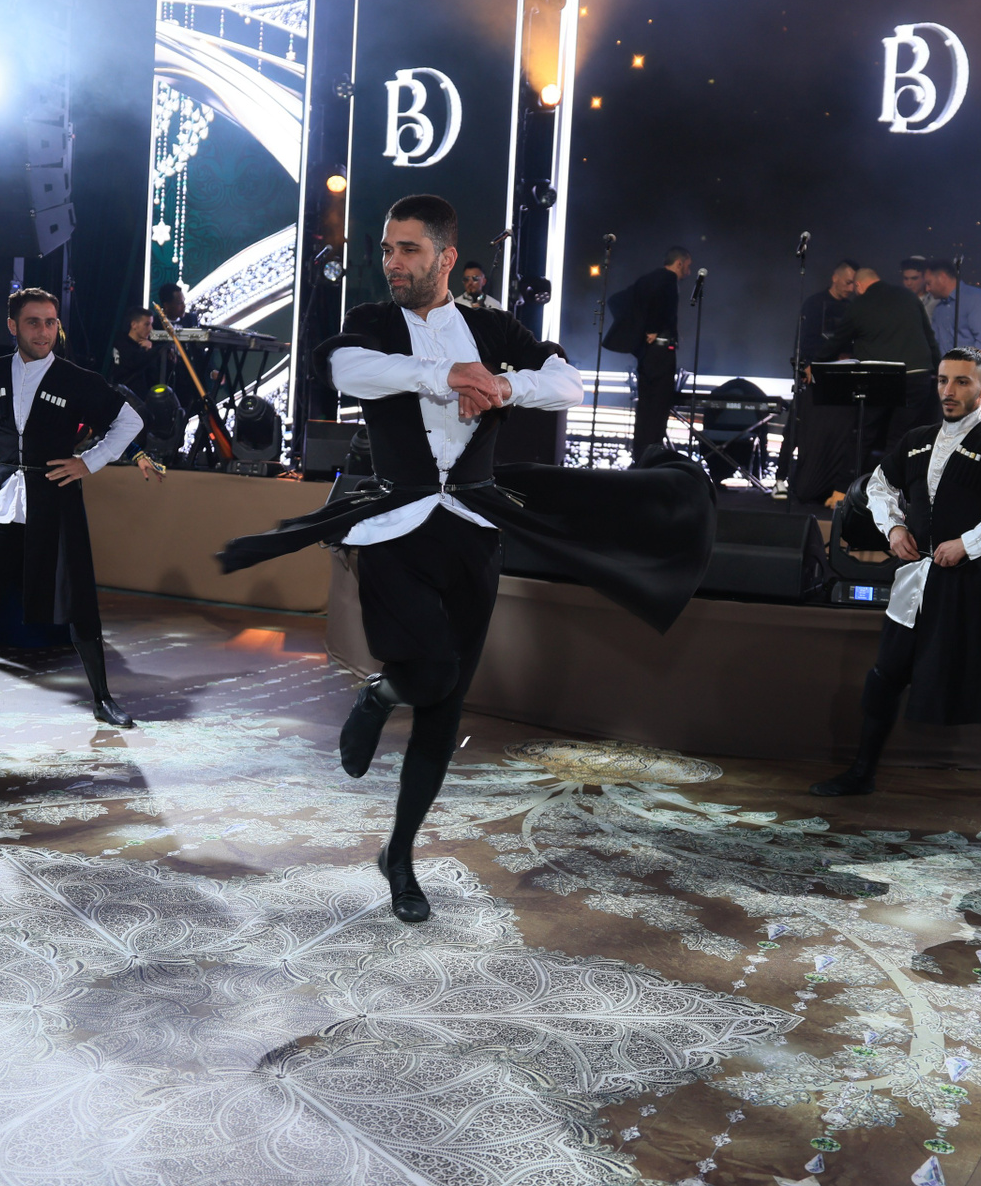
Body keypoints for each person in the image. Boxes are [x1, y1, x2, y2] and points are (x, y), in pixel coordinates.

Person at [216, 196, 714, 923]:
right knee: (431, 672)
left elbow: (567, 383)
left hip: (475, 528)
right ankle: (381, 695)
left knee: (444, 712)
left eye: (408, 250)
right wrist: (445, 375)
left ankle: (400, 855)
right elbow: (345, 370)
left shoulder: (492, 327)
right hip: (396, 526)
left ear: (446, 257)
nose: (393, 262)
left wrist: (504, 384)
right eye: (387, 249)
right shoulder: (372, 322)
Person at [807, 348, 981, 850]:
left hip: (969, 587)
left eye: (961, 382)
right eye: (942, 380)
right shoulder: (916, 441)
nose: (948, 391)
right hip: (913, 583)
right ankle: (862, 773)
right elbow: (877, 486)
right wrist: (893, 527)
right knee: (885, 678)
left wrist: (970, 544)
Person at [0, 287, 153, 726]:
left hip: (57, 501)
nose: (43, 332)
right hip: (4, 501)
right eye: (33, 322)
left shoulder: (76, 379)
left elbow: (129, 421)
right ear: (13, 326)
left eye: (50, 322)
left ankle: (102, 699)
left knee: (78, 600)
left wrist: (88, 462)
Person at [816, 267, 940, 469]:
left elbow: (837, 341)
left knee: (864, 434)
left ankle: (850, 483)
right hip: (917, 376)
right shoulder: (908, 296)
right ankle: (891, 484)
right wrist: (940, 370)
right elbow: (929, 337)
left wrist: (816, 363)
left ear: (859, 285)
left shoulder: (860, 304)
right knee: (900, 437)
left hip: (881, 378)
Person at [781, 259, 861, 502]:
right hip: (813, 374)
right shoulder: (814, 304)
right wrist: (808, 363)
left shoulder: (852, 308)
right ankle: (781, 478)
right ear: (835, 278)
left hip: (841, 379)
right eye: (847, 282)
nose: (850, 288)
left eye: (854, 284)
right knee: (797, 426)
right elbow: (804, 338)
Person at [604, 246, 692, 459]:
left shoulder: (648, 279)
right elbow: (660, 305)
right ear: (679, 263)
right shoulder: (668, 280)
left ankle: (640, 455)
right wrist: (651, 328)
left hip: (647, 354)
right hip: (661, 354)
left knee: (645, 406)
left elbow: (616, 300)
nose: (688, 272)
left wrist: (638, 331)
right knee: (659, 406)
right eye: (688, 266)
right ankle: (653, 454)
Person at [926, 260, 981, 390]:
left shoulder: (976, 299)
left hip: (976, 383)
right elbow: (936, 343)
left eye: (929, 283)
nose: (927, 289)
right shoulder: (939, 309)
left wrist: (963, 371)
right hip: (949, 382)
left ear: (942, 277)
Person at [105, 308, 170, 397]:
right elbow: (133, 362)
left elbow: (153, 375)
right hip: (124, 397)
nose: (151, 329)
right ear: (134, 325)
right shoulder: (121, 343)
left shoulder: (148, 346)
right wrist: (151, 351)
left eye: (151, 324)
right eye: (147, 324)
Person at [900, 256, 938, 320]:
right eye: (906, 278)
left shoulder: (936, 303)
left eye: (914, 278)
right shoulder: (898, 302)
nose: (909, 283)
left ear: (925, 278)